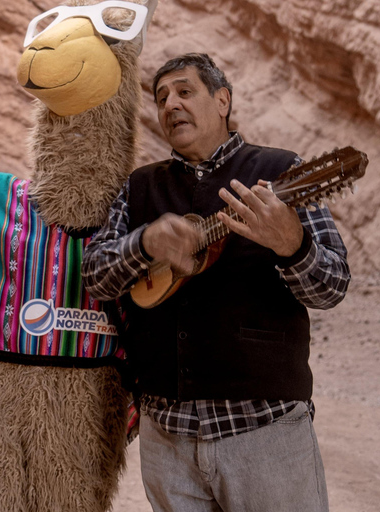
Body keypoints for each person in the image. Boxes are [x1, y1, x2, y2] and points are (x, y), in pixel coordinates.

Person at [82, 53, 350, 512]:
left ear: (222, 100)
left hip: (263, 431)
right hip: (166, 436)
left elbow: (332, 286)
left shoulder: (282, 172)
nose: (170, 105)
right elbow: (95, 277)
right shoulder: (141, 186)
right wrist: (145, 243)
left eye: (185, 92)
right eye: (162, 97)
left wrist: (292, 244)